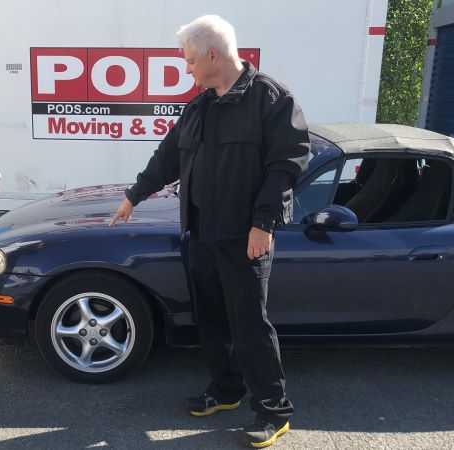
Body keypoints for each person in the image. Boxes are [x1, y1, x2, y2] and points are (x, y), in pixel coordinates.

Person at [110, 15, 309, 448]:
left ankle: (273, 412)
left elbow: (287, 164)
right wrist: (133, 196)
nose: (188, 69)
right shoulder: (199, 105)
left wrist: (263, 223)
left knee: (249, 323)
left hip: (244, 237)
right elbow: (167, 157)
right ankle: (226, 390)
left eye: (190, 61)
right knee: (212, 318)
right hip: (200, 233)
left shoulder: (269, 99)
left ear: (213, 55)